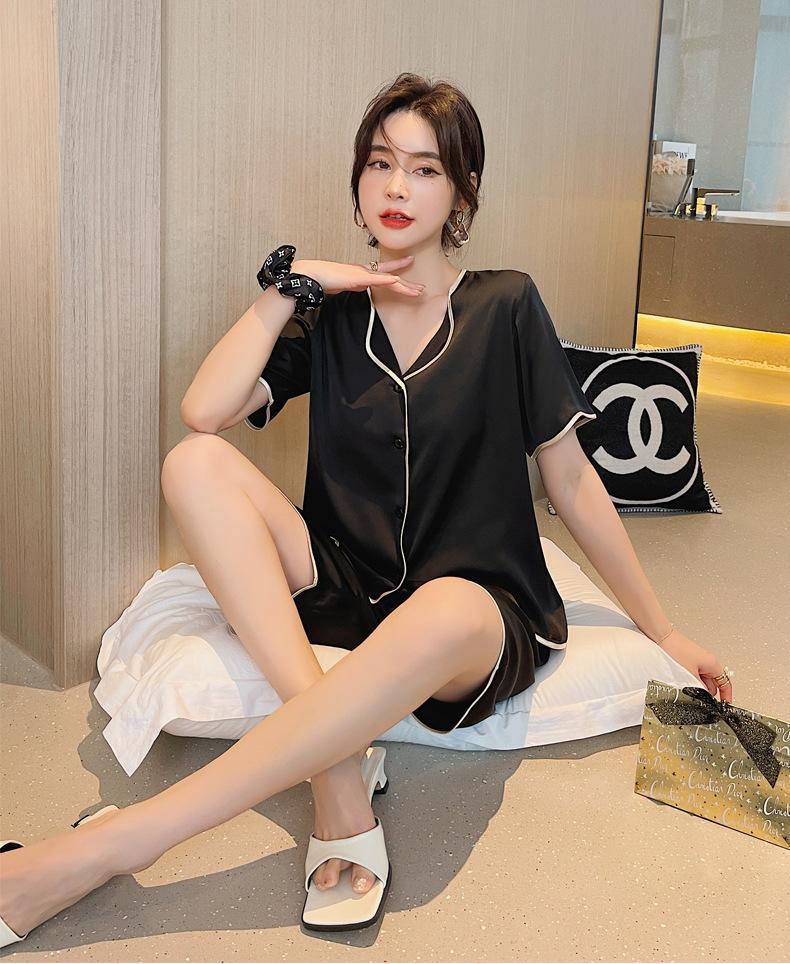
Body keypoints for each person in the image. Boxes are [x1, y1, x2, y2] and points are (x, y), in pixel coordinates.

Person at [0, 72, 734, 945]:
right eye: (380, 163)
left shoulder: (505, 304)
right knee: (193, 464)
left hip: (473, 608)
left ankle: (111, 847)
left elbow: (571, 482)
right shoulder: (337, 318)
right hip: (347, 581)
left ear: (462, 192)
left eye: (425, 170)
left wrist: (663, 630)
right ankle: (338, 775)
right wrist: (292, 288)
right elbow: (204, 411)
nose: (396, 186)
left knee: (445, 605)